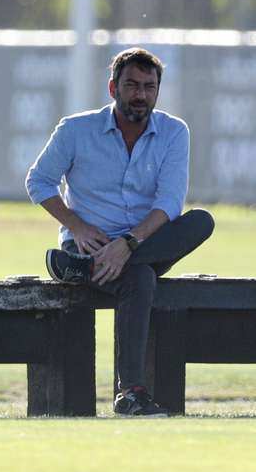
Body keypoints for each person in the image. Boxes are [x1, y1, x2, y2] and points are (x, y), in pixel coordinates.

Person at [26, 47, 214, 417]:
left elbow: (170, 203)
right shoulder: (76, 129)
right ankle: (131, 394)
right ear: (113, 88)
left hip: (145, 241)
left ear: (158, 91)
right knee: (140, 278)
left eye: (148, 86)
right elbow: (38, 181)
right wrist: (77, 226)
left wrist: (127, 244)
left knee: (201, 221)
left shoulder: (175, 132)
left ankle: (84, 270)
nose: (140, 94)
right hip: (89, 242)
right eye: (131, 85)